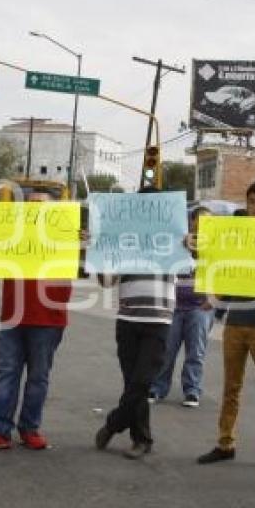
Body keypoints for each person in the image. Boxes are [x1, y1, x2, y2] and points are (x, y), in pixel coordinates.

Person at [0, 189, 76, 452]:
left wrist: (83, 243)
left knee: (38, 377)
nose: (34, 208)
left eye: (40, 205)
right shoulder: (10, 234)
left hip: (49, 319)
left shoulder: (67, 237)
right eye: (29, 205)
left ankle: (29, 428)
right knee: (7, 375)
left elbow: (91, 267)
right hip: (13, 317)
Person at [197, 181, 255, 474]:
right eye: (252, 202)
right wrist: (214, 295)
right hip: (235, 322)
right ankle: (225, 443)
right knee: (230, 388)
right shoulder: (235, 237)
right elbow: (225, 270)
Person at [95, 186, 177, 460]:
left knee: (141, 383)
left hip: (158, 321)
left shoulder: (174, 239)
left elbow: (195, 265)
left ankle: (113, 423)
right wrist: (97, 254)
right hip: (128, 320)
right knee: (133, 383)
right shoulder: (124, 241)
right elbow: (108, 281)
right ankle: (142, 439)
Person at [150, 206, 215, 408]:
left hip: (200, 308)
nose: (204, 225)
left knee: (196, 351)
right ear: (192, 222)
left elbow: (224, 274)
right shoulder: (177, 243)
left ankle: (192, 390)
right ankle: (158, 388)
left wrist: (214, 299)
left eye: (209, 221)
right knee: (167, 350)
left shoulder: (217, 247)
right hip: (174, 306)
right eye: (200, 221)